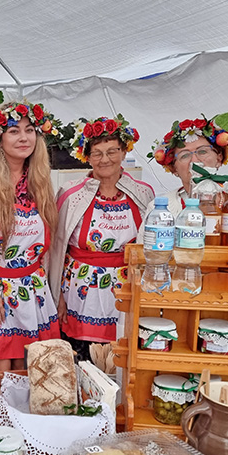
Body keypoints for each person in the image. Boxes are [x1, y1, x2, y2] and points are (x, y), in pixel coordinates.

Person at [0, 101, 60, 372]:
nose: (24, 138)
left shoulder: (38, 178)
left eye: (30, 130)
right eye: (14, 131)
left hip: (31, 289)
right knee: (1, 377)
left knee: (29, 374)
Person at [50, 115, 154, 357]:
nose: (105, 159)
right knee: (83, 358)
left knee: (121, 356)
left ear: (124, 151)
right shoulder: (70, 193)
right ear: (86, 156)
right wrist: (59, 298)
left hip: (125, 289)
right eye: (97, 153)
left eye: (112, 151)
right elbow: (56, 250)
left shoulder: (143, 192)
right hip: (80, 292)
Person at [139, 117, 228, 224]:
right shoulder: (159, 209)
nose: (195, 161)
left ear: (219, 158)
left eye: (202, 152)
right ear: (174, 169)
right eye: (185, 155)